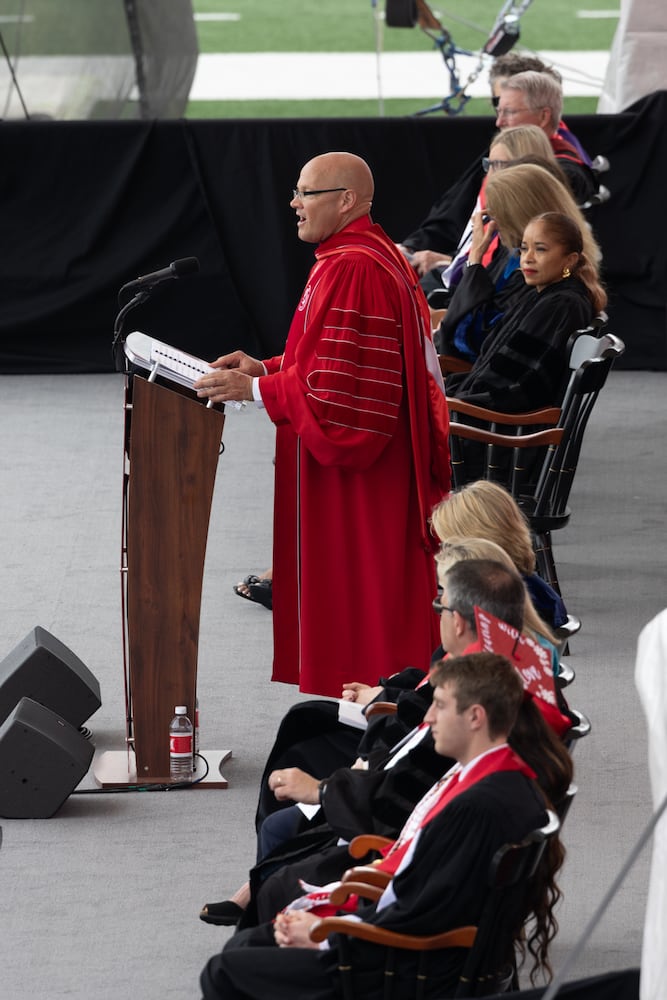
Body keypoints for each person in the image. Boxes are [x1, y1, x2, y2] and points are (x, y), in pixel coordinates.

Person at [194, 152, 451, 698]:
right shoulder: (363, 253)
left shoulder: (354, 265)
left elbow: (343, 395)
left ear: (346, 200)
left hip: (367, 473)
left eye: (306, 193)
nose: (294, 203)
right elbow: (332, 359)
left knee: (369, 592)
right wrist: (267, 367)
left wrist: (258, 390)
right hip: (385, 458)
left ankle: (387, 704)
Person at [199, 558, 572, 931]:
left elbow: (408, 792)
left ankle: (264, 907)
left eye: (439, 602)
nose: (431, 716)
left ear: (458, 620)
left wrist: (327, 790)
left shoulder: (479, 694)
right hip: (397, 806)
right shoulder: (509, 665)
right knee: (304, 726)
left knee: (283, 844)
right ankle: (258, 888)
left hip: (393, 848)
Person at [199, 651, 563, 1000]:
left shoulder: (476, 806)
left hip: (413, 968)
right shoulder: (500, 777)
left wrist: (328, 936)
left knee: (227, 967)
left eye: (440, 706)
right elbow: (425, 885)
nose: (429, 718)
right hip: (428, 951)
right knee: (257, 937)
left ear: (476, 718)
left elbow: (424, 913)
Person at [400, 57, 597, 277]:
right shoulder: (503, 152)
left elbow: (517, 256)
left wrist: (452, 262)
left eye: (509, 111)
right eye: (497, 107)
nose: (499, 121)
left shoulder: (560, 173)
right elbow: (453, 211)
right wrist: (415, 248)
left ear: (543, 116)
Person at [434, 130, 589, 361]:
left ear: (517, 214)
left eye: (498, 213)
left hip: (477, 388)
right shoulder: (523, 255)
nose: (494, 222)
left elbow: (471, 341)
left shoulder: (530, 271)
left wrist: (475, 259)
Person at [445, 203, 607, 417]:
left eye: (540, 249)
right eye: (523, 248)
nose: (528, 257)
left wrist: (451, 401)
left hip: (498, 432)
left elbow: (515, 388)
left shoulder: (561, 305)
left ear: (570, 260)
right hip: (491, 421)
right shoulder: (542, 295)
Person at [431, 479, 569, 631]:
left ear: (480, 544)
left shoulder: (501, 608)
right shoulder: (534, 591)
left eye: (449, 545)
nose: (443, 553)